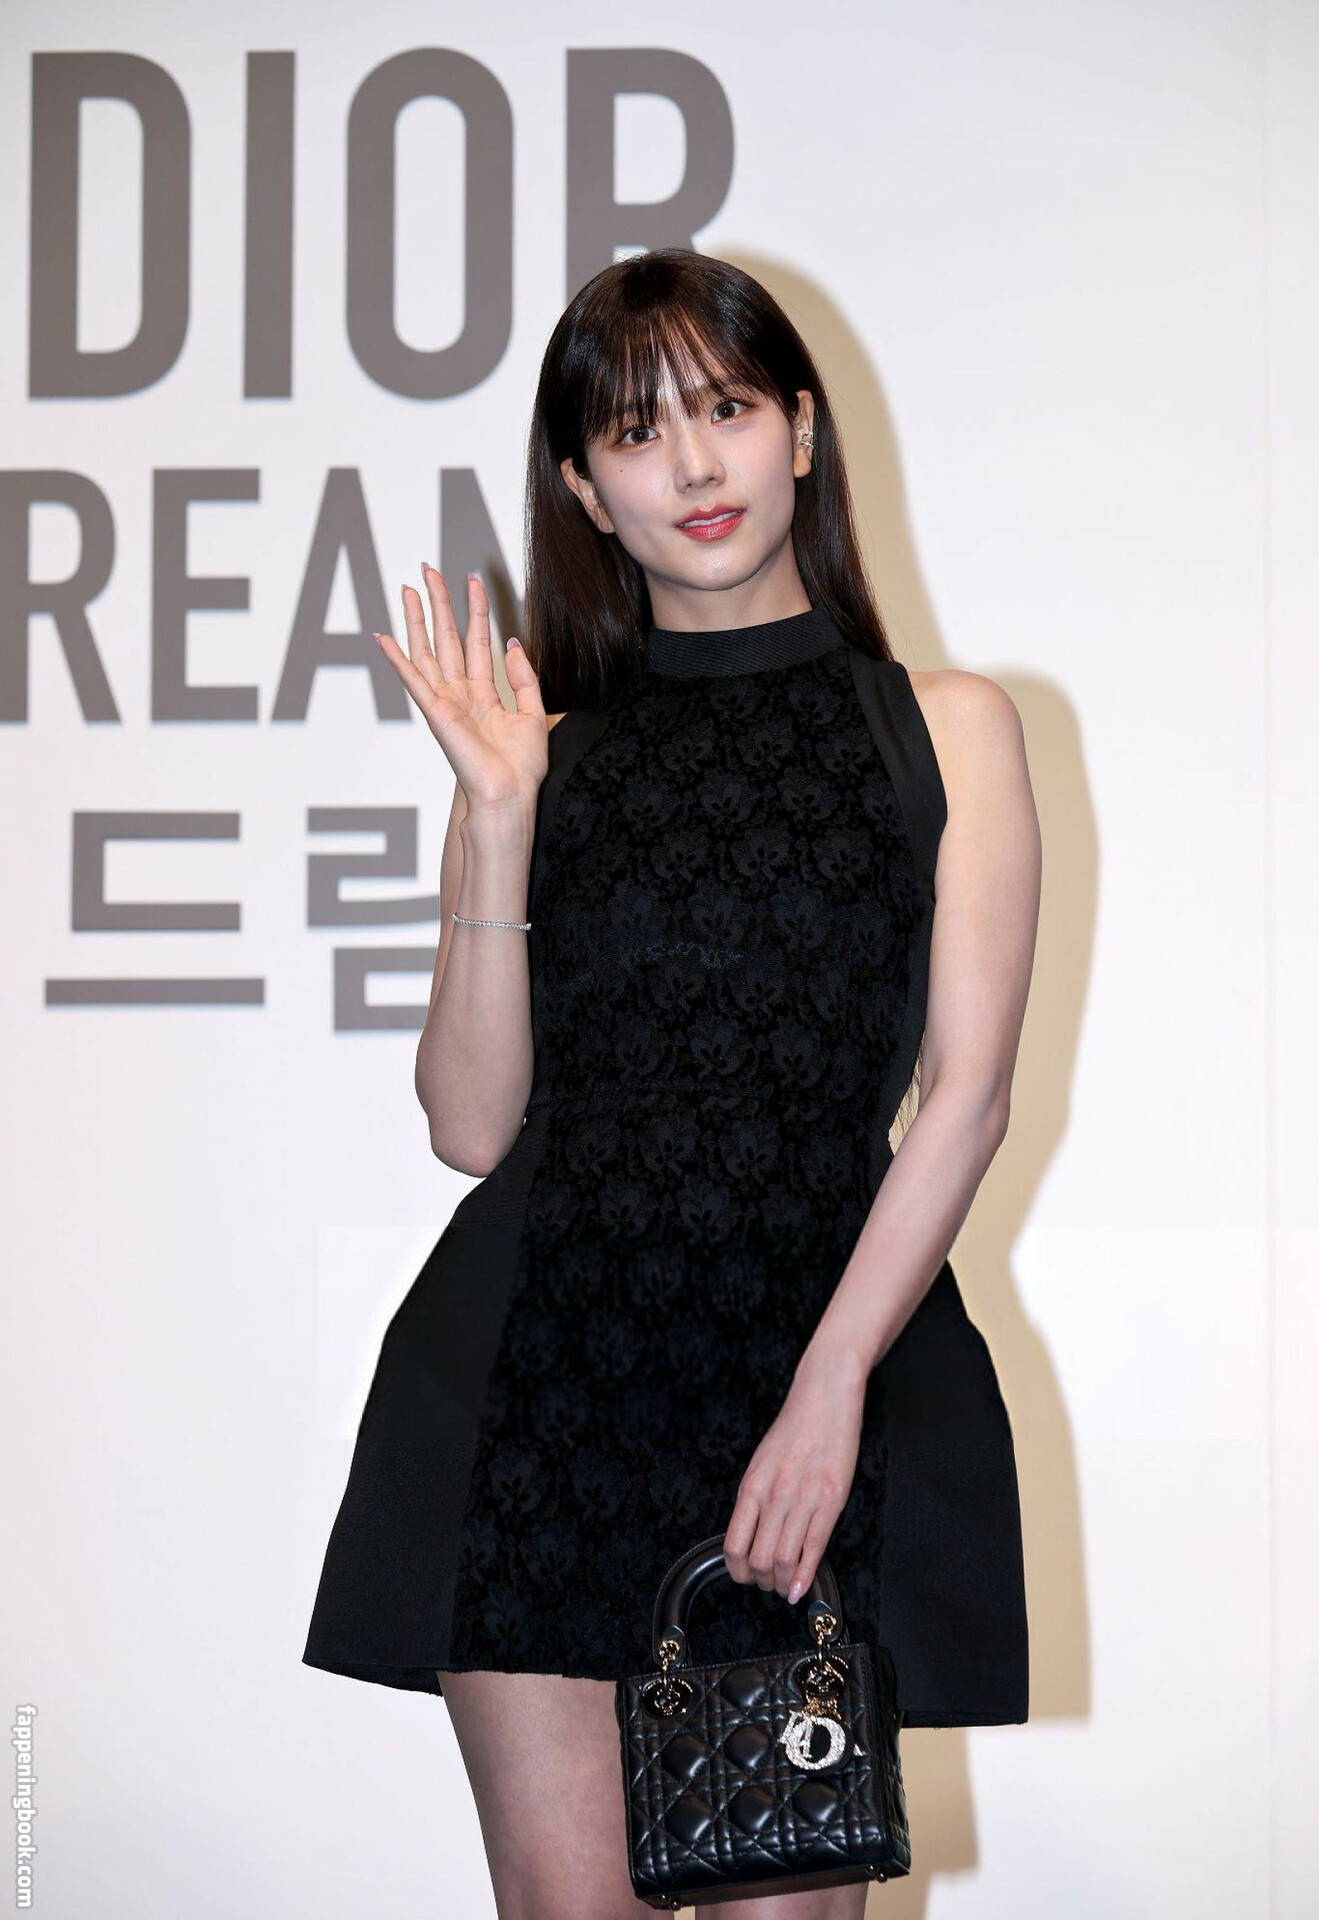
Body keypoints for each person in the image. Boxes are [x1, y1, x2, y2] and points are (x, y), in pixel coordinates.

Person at [303, 246, 1041, 1920]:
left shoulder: (945, 729)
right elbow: (471, 1126)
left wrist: (830, 1392)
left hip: (809, 1386)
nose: (695, 464)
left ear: (802, 431)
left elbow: (968, 1097)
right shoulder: (539, 755)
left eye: (727, 409)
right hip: (537, 1395)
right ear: (584, 487)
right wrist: (497, 812)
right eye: (637, 433)